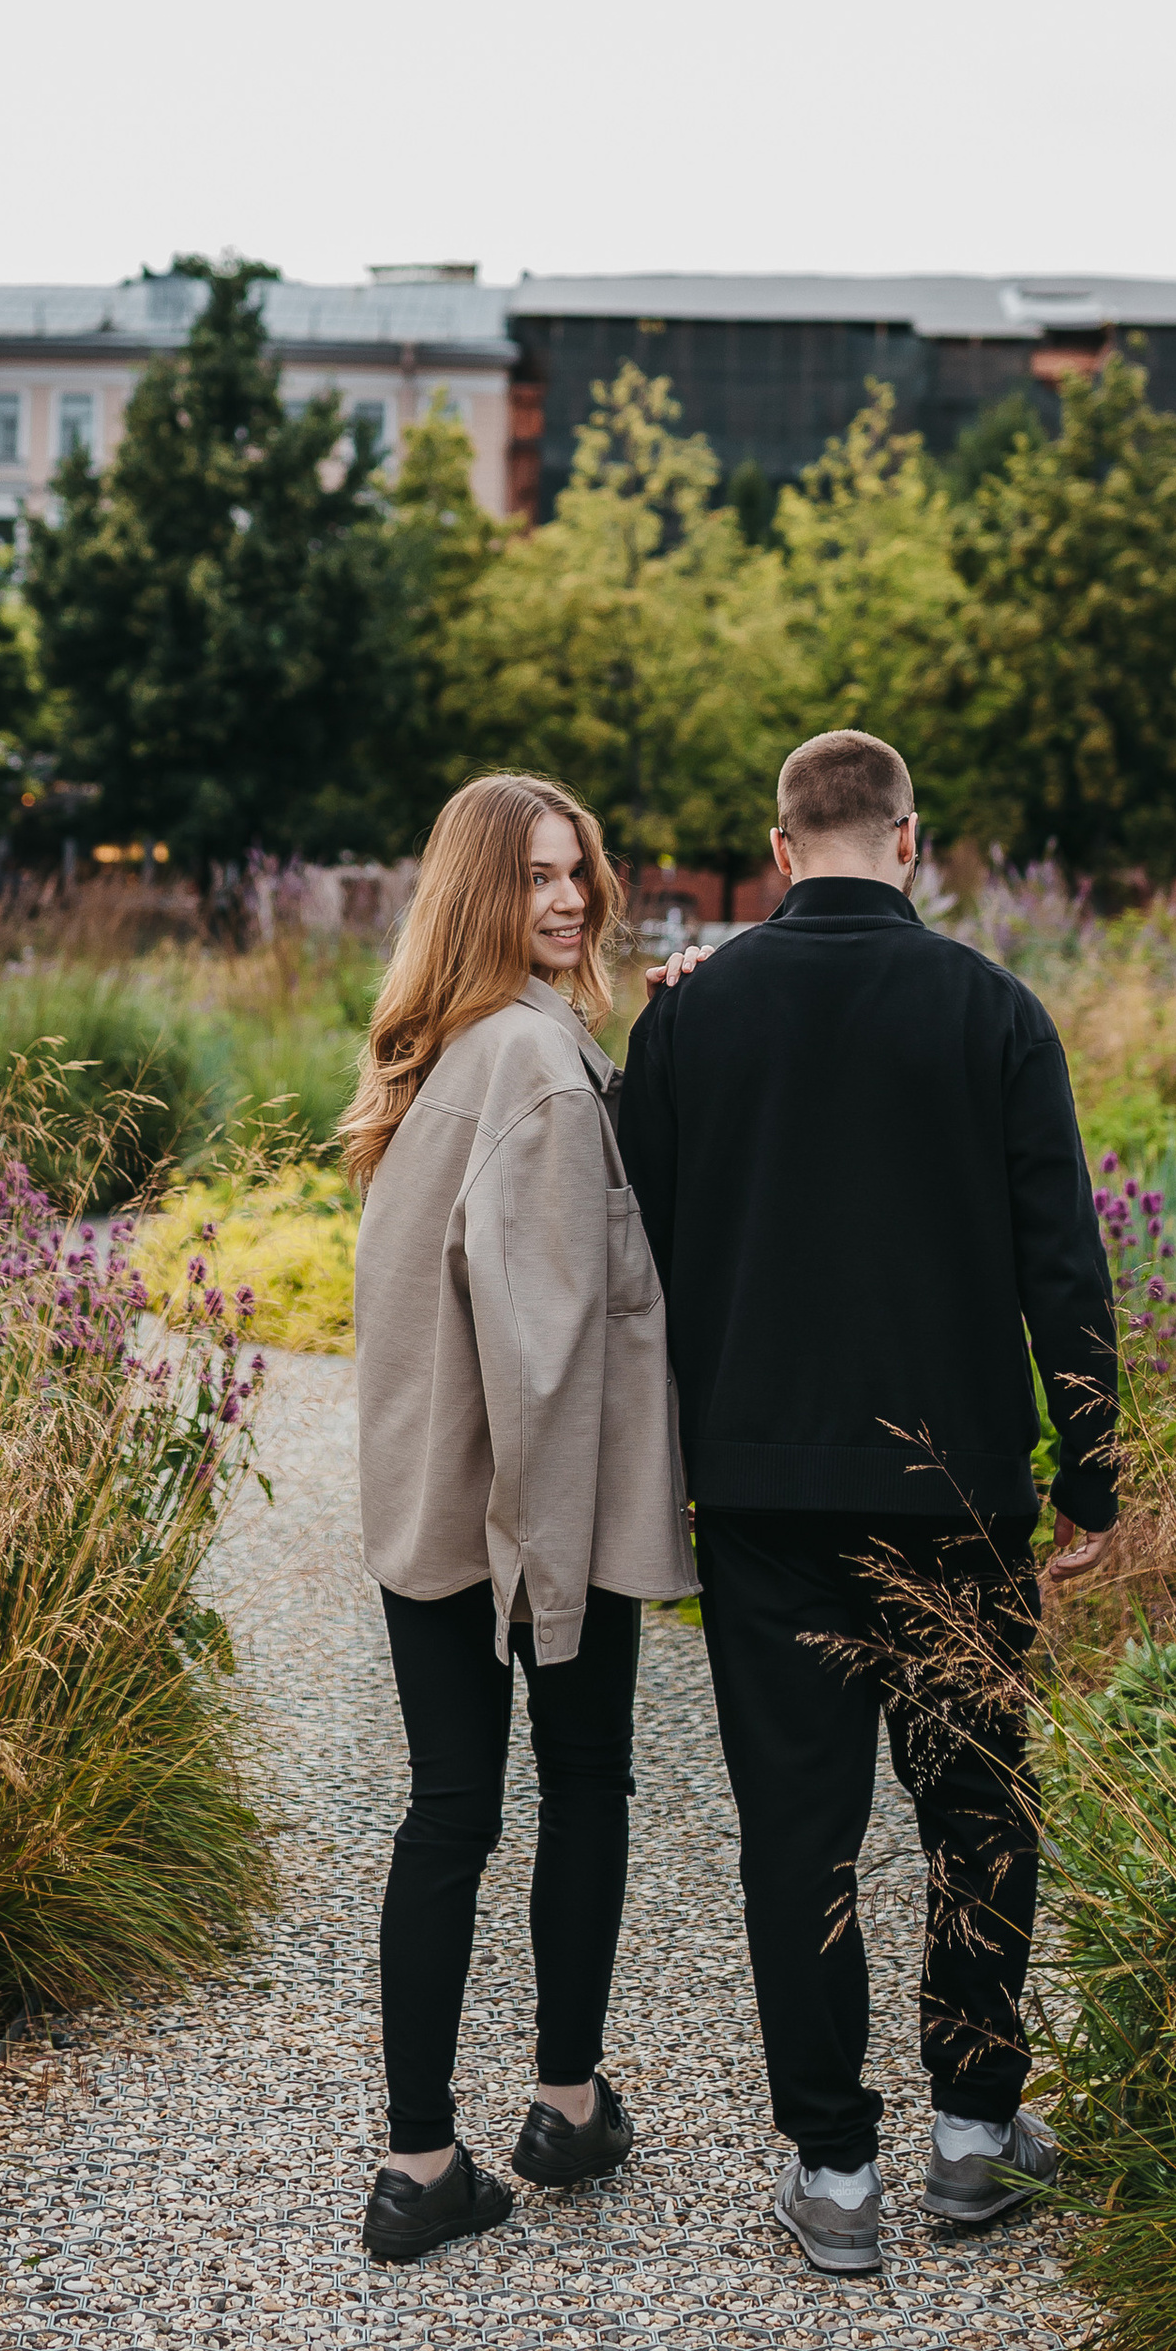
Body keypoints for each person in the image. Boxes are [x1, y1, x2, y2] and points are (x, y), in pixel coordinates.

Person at [615, 729, 1116, 2273]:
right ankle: (972, 2136)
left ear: (780, 849)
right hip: (956, 1497)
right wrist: (1089, 1474)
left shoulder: (696, 1020)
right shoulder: (995, 1013)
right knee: (977, 1811)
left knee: (800, 1833)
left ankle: (836, 2172)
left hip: (766, 1499)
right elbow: (1062, 1260)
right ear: (911, 841)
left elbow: (637, 1256)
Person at [341, 769, 697, 2264]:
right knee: (581, 1787)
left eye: (577, 873)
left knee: (447, 1813)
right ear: (481, 895)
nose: (566, 899)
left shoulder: (445, 1056)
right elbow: (545, 1357)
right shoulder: (541, 1073)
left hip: (429, 1510)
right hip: (533, 1524)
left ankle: (422, 2162)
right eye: (534, 878)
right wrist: (556, 1579)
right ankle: (561, 2100)